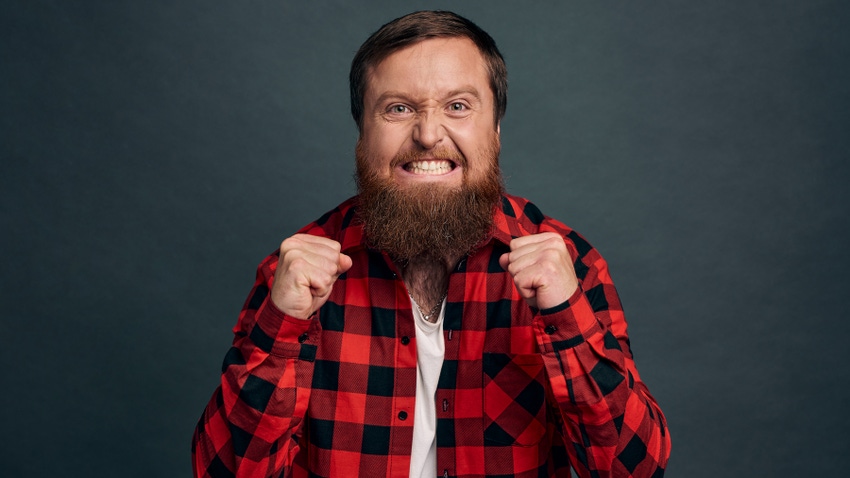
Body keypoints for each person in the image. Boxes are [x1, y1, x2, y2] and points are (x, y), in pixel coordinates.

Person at [192, 10, 670, 478]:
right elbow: (224, 471)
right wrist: (282, 329)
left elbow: (635, 469)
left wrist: (566, 320)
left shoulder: (570, 264)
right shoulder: (296, 273)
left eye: (457, 106)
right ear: (362, 134)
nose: (427, 134)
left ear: (496, 131)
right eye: (398, 108)